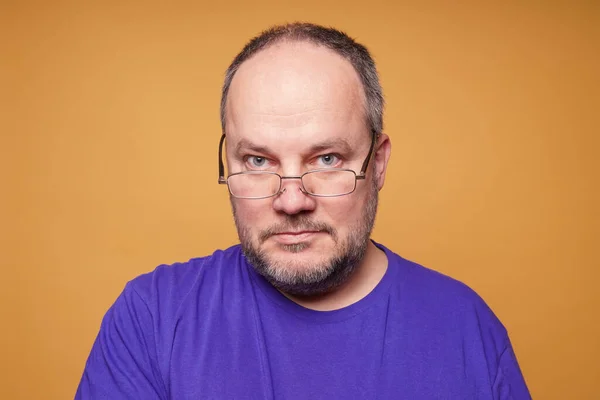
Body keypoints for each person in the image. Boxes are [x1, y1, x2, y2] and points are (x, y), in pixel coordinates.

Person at [76, 22, 531, 399]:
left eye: (327, 159)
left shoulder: (465, 327)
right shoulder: (151, 320)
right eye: (258, 161)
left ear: (378, 163)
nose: (291, 201)